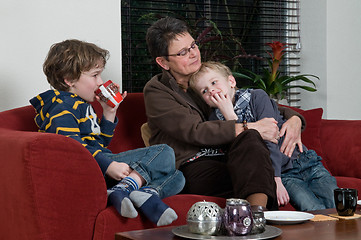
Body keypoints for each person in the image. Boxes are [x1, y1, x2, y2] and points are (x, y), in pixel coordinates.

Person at [143, 16, 305, 210]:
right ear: (163, 62)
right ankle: (256, 220)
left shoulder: (204, 78)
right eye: (183, 52)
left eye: (193, 45)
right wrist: (250, 126)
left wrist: (294, 118)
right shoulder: (157, 91)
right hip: (194, 164)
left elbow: (247, 101)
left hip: (228, 155)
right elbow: (194, 130)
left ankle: (255, 217)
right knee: (252, 144)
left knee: (251, 140)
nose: (194, 54)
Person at [29, 39, 185, 226]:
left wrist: (109, 112)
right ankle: (128, 188)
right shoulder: (62, 106)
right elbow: (72, 148)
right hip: (90, 170)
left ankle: (133, 191)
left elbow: (99, 144)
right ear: (69, 80)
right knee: (164, 152)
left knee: (178, 177)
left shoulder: (81, 105)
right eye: (95, 75)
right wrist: (107, 166)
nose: (100, 82)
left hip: (99, 164)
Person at [189, 61, 338, 211]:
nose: (212, 91)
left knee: (337, 205)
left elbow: (271, 139)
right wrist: (230, 117)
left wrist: (276, 180)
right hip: (286, 173)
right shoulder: (214, 122)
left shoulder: (257, 97)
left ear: (231, 81)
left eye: (214, 82)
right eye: (204, 91)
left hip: (306, 161)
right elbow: (241, 155)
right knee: (312, 209)